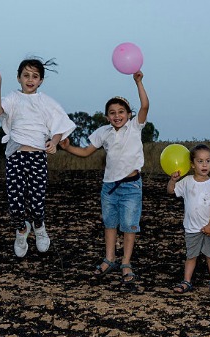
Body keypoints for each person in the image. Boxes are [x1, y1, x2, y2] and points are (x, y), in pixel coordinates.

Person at [59, 71, 149, 284]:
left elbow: (145, 106)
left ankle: (126, 262)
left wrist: (139, 82)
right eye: (112, 112)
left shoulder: (134, 128)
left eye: (121, 112)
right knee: (110, 224)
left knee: (129, 225)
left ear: (128, 114)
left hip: (131, 186)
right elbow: (86, 152)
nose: (117, 116)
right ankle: (109, 259)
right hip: (109, 187)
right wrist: (68, 147)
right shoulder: (104, 132)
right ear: (107, 116)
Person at [0, 57, 76, 258]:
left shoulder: (46, 102)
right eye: (26, 75)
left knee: (37, 203)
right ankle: (21, 230)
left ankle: (39, 226)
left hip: (38, 157)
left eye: (35, 76)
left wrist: (54, 143)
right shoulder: (12, 98)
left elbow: (60, 127)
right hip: (16, 156)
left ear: (41, 80)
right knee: (15, 204)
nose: (30, 79)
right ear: (18, 78)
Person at [167, 144, 210, 293]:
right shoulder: (186, 182)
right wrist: (173, 180)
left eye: (207, 161)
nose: (204, 164)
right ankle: (187, 281)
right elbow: (171, 191)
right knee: (191, 256)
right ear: (192, 165)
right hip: (192, 228)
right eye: (200, 161)